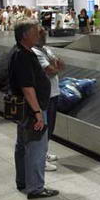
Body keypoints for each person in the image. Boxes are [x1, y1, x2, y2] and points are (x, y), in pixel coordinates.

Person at [9, 19, 58, 199]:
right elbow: (27, 87)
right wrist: (38, 113)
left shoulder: (21, 52)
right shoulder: (23, 55)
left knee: (22, 145)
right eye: (35, 31)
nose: (39, 33)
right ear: (25, 35)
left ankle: (22, 180)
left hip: (24, 110)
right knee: (37, 148)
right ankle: (36, 188)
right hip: (32, 110)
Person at [33, 28, 64, 171]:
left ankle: (43, 153)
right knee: (44, 127)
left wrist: (55, 67)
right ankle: (40, 159)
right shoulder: (35, 52)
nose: (44, 37)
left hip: (54, 92)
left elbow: (59, 63)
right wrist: (56, 68)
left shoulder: (45, 49)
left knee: (50, 126)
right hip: (45, 95)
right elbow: (50, 70)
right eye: (42, 35)